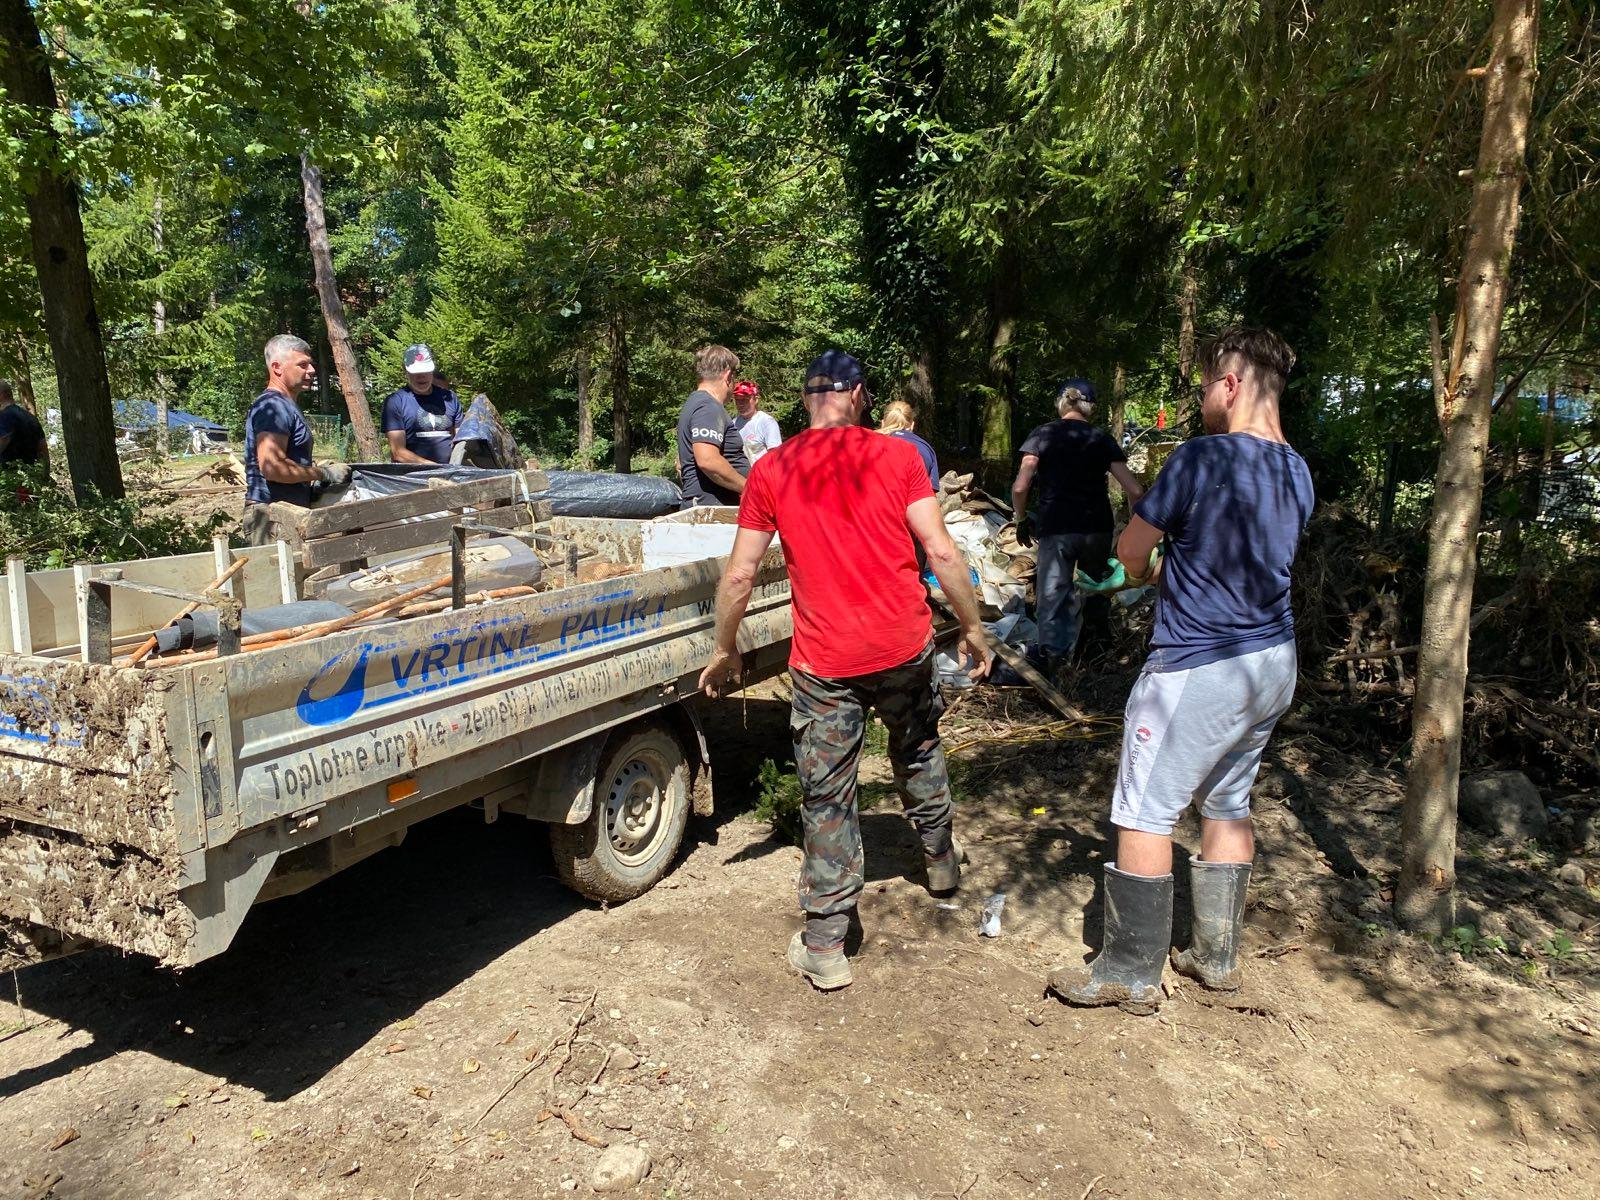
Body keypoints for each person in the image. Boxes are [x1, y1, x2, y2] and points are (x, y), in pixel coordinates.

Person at [698, 350, 993, 992]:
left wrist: (725, 647)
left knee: (828, 795)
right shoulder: (899, 457)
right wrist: (972, 627)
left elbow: (741, 573)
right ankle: (941, 863)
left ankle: (826, 945)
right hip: (904, 645)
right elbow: (941, 550)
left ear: (808, 398)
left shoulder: (772, 469)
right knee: (918, 747)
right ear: (857, 395)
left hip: (825, 662)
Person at [1047, 327, 1314, 1014]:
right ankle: (1215, 957)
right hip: (1272, 662)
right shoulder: (1297, 471)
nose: (1200, 402)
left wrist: (1141, 571)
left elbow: (1132, 550)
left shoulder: (1200, 457)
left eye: (1203, 389)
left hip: (1200, 662)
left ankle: (1130, 971)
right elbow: (1239, 560)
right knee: (1228, 800)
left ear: (1231, 384)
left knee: (1144, 809)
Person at [1011, 379, 1145, 669]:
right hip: (1096, 528)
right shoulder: (1101, 438)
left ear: (1061, 402)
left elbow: (1021, 487)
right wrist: (1137, 528)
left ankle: (1055, 663)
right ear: (1090, 407)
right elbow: (1135, 490)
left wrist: (1020, 519)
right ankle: (1095, 660)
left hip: (1056, 527)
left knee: (1053, 595)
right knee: (1096, 589)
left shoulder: (1042, 435)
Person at [242, 334, 352, 545]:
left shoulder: (285, 405)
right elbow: (273, 468)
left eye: (310, 364)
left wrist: (314, 470)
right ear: (277, 367)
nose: (311, 370)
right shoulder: (273, 406)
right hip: (272, 517)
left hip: (284, 514)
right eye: (302, 365)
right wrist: (324, 473)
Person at [676, 345, 749, 505]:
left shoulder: (696, 402)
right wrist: (749, 488)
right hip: (710, 511)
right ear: (728, 376)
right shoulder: (708, 406)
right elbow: (708, 460)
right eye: (734, 378)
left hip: (708, 507)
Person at [382, 344, 463, 465]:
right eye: (416, 372)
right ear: (405, 371)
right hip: (412, 474)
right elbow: (398, 452)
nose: (421, 376)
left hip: (451, 471)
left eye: (425, 370)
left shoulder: (450, 397)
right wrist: (433, 467)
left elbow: (462, 440)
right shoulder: (395, 402)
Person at [878, 400, 939, 489]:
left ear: (883, 423)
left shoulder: (871, 444)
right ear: (912, 425)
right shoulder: (926, 449)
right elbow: (930, 491)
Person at [0, 379, 48, 472]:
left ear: (1, 395)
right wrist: (45, 472)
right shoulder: (31, 418)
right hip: (30, 475)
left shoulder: (3, 416)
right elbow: (43, 448)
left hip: (9, 475)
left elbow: (3, 439)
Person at [732, 381, 782, 464]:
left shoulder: (767, 422)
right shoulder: (733, 424)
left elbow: (775, 455)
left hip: (761, 471)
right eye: (737, 400)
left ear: (756, 400)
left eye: (745, 400)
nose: (741, 404)